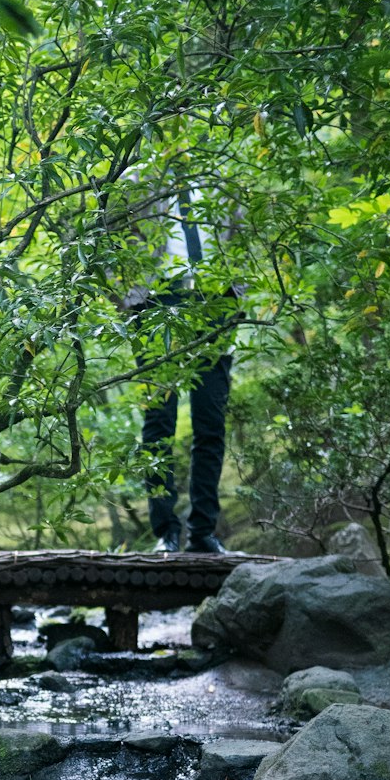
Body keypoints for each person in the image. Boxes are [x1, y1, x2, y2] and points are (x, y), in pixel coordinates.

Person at [124, 184, 240, 555]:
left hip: (216, 300)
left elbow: (238, 238)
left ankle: (203, 531)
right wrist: (127, 298)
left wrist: (237, 295)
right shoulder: (139, 176)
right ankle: (166, 532)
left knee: (211, 419)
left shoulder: (222, 175)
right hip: (158, 299)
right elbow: (112, 237)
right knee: (159, 419)